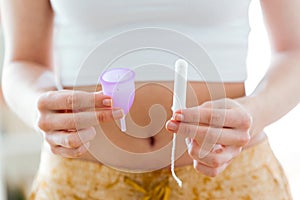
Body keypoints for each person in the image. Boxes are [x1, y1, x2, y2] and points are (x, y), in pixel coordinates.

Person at [1, 0, 299, 199]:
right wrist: (39, 104)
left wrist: (255, 111)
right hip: (79, 184)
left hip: (232, 180)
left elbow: (294, 51)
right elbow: (21, 61)